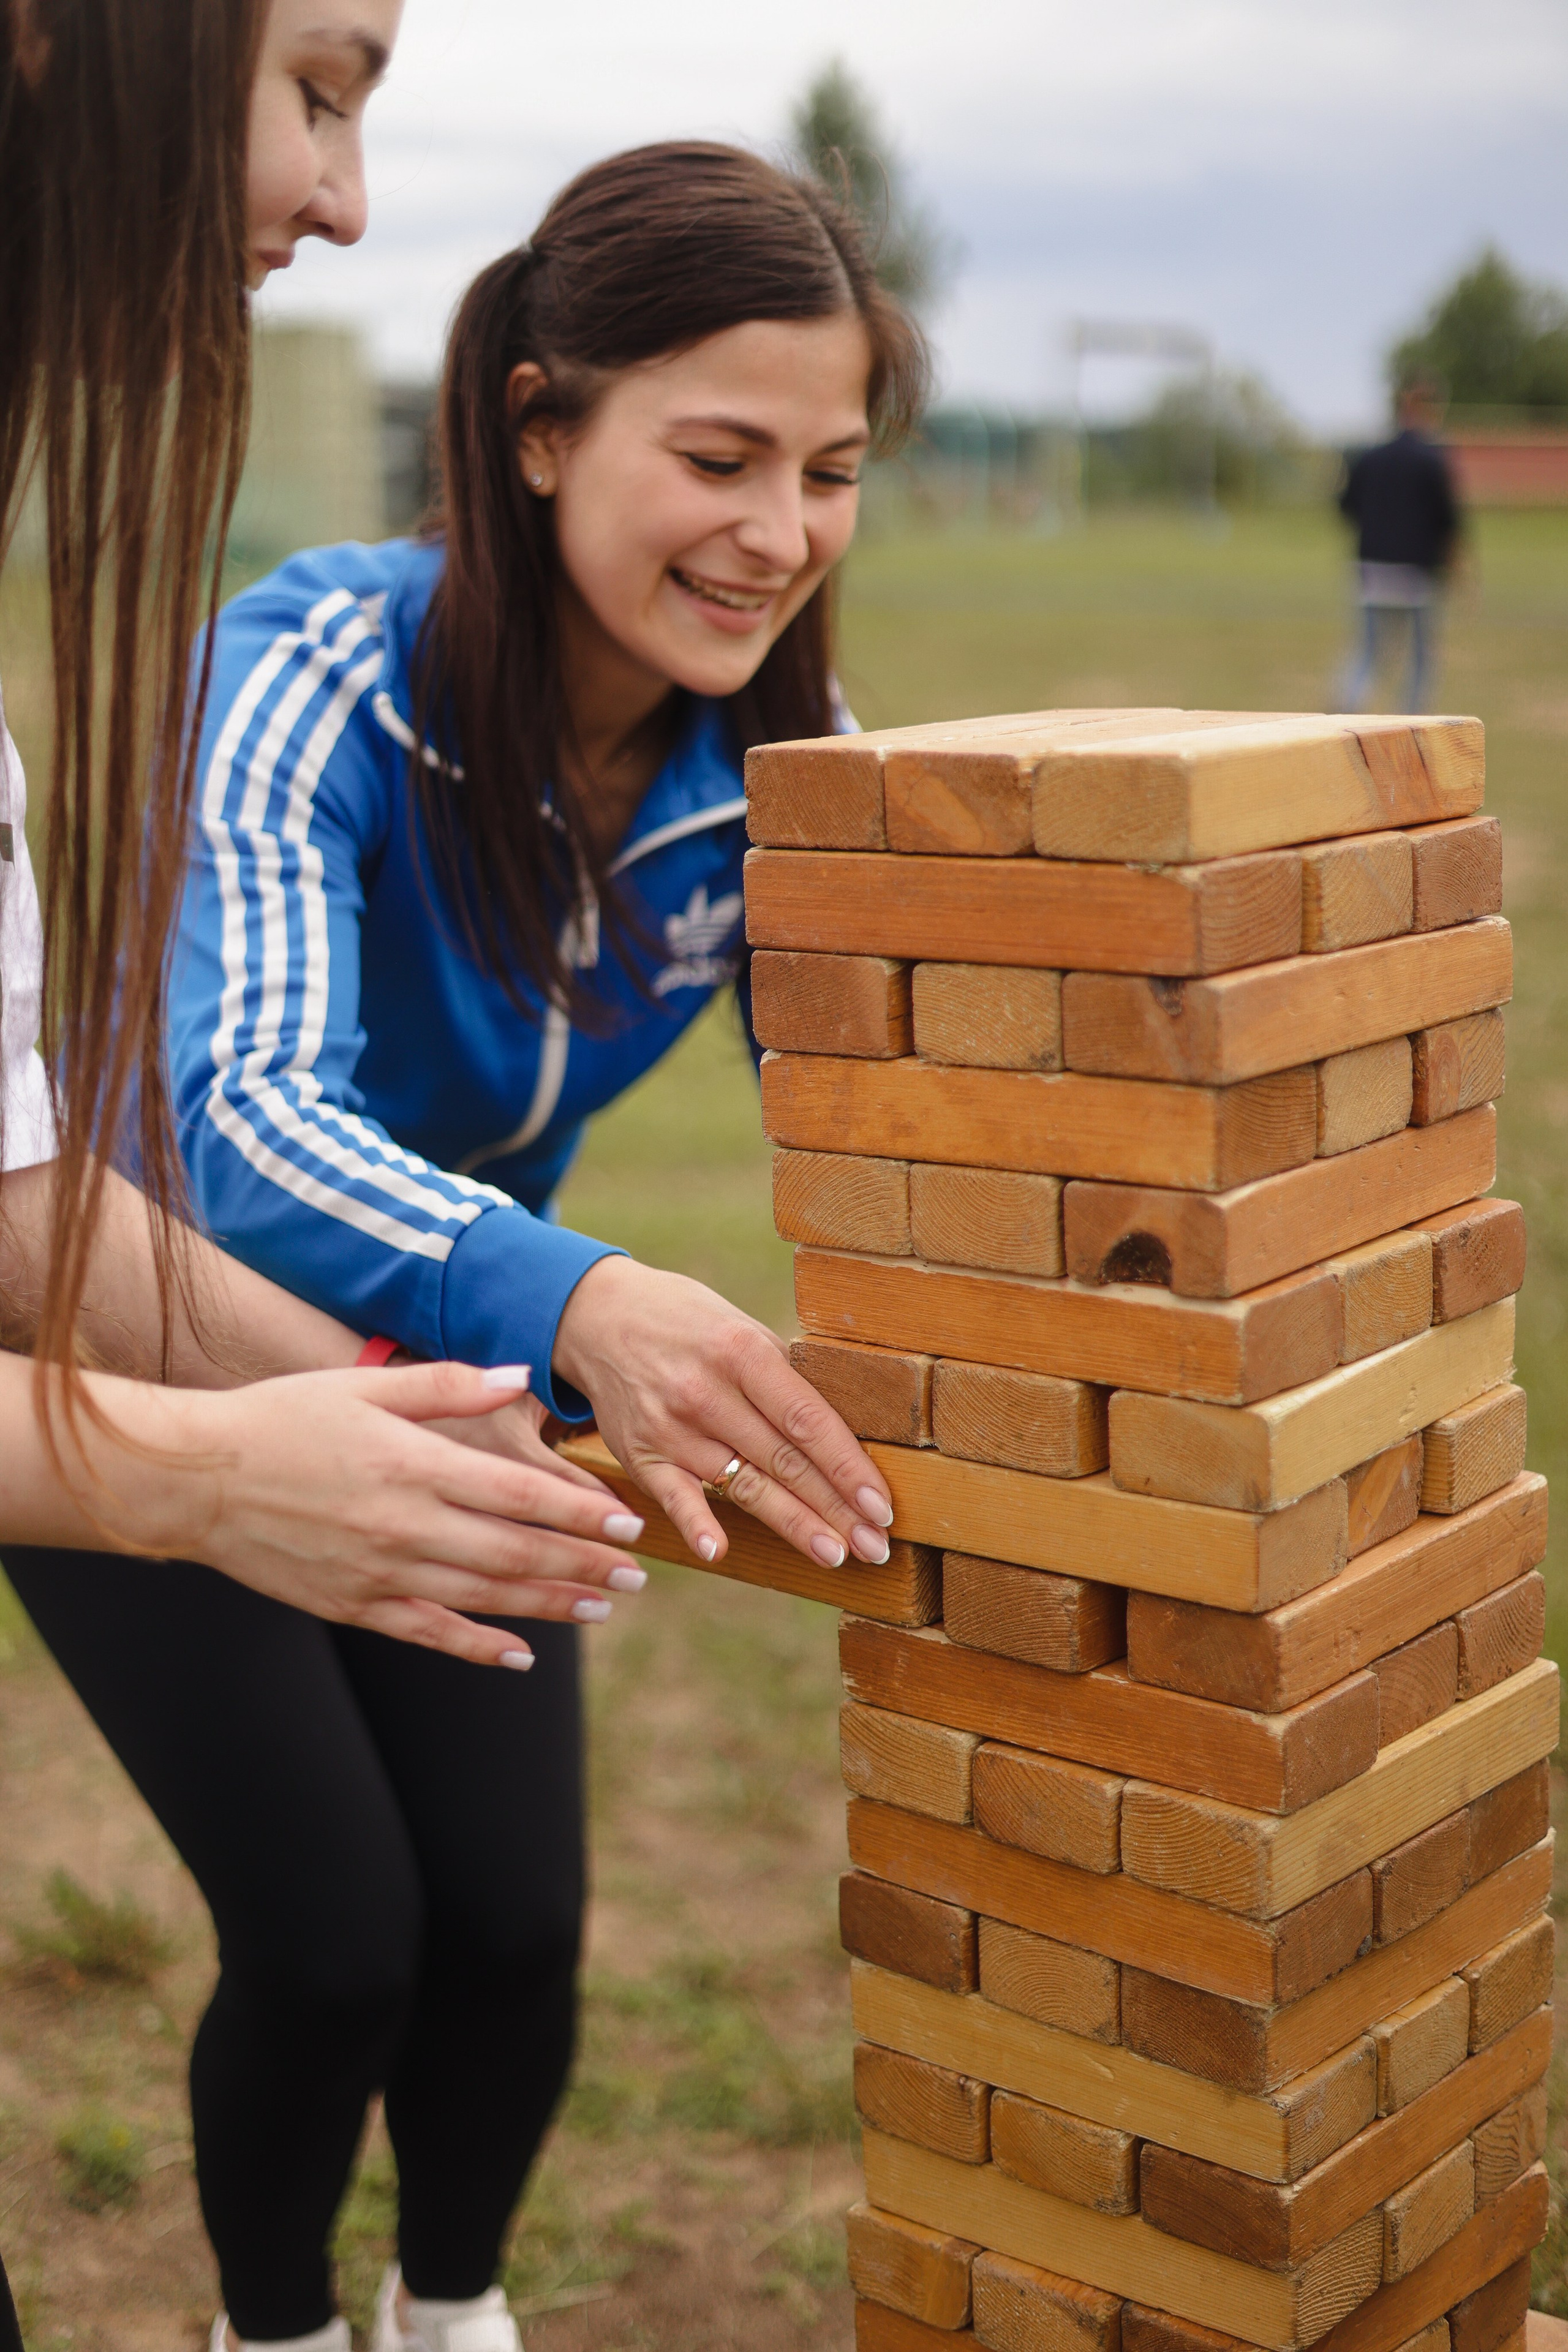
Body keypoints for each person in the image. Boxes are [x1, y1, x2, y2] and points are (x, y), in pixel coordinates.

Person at [4, 141, 921, 2352]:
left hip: (467, 1367)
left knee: (511, 1929)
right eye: (714, 455)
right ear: (534, 429)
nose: (776, 534)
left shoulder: (783, 761)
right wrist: (582, 1294)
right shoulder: (312, 661)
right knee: (335, 1934)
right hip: (136, 1337)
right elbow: (234, 1124)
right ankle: (275, 2330)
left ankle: (448, 2311)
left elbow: (902, 1117)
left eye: (829, 469)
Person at [1335, 374, 1464, 713]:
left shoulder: (1370, 457)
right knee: (1422, 659)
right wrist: (1459, 570)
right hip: (1416, 572)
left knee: (1369, 653)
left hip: (1373, 567)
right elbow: (1449, 521)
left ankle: (1344, 711)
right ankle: (1414, 729)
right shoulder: (1432, 460)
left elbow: (1345, 506)